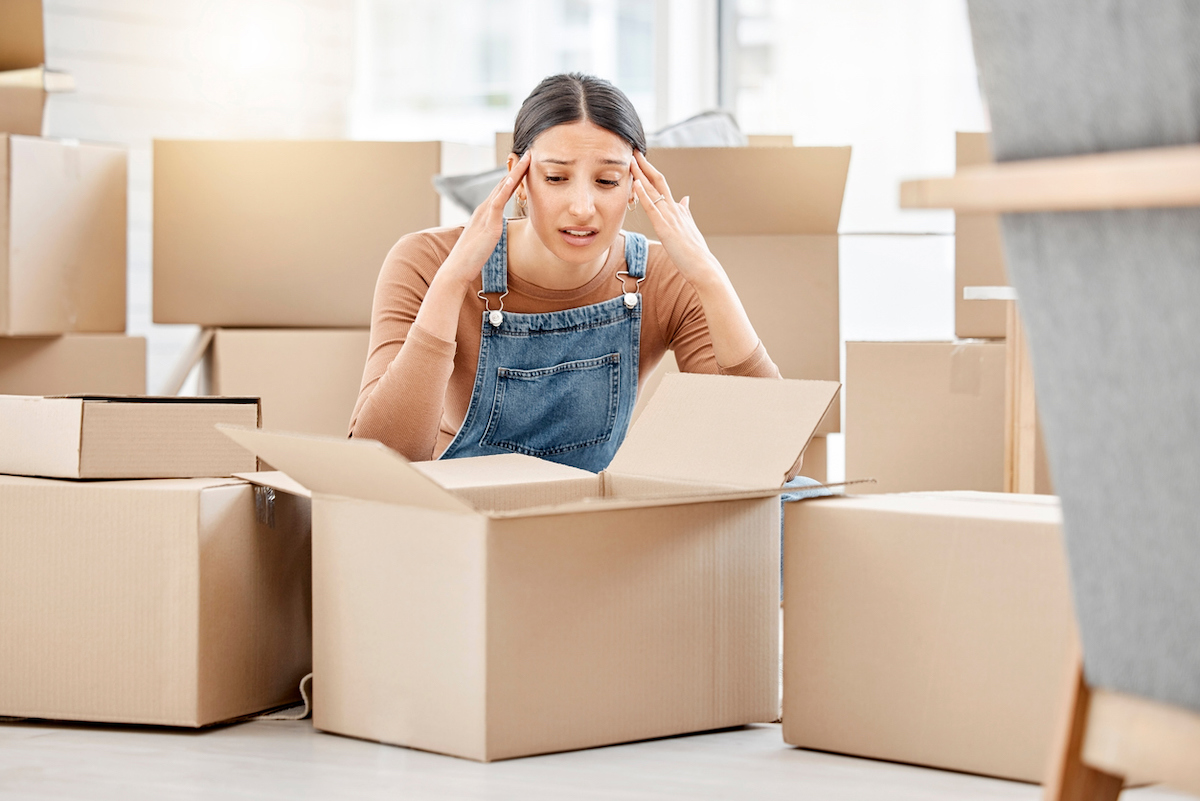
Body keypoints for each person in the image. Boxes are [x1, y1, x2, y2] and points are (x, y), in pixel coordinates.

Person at [349, 72, 801, 476]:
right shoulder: (425, 260)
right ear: (519, 179)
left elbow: (775, 461)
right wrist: (451, 284)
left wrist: (710, 278)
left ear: (632, 187)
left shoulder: (664, 276)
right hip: (462, 525)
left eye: (606, 181)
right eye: (556, 178)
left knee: (797, 491)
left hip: (590, 528)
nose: (583, 207)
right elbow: (378, 462)